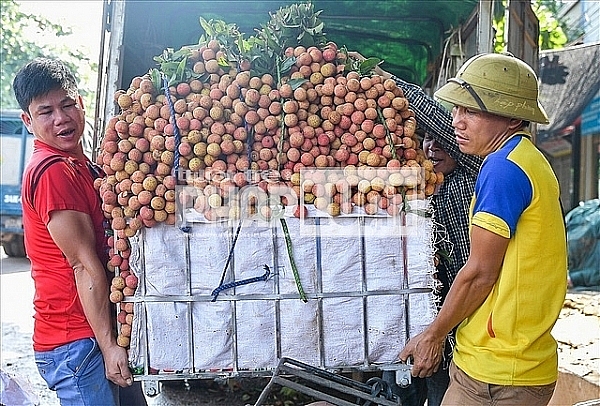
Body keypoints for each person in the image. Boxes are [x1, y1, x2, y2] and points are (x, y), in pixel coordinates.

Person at [394, 52, 567, 406]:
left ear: (513, 117)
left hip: (503, 371)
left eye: (470, 111)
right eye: (457, 109)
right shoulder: (522, 159)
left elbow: (480, 274)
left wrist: (434, 335)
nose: (457, 121)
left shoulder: (504, 169)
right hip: (487, 361)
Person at [349, 51, 482, 406]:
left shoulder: (475, 174)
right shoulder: (419, 186)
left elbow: (437, 122)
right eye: (425, 139)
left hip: (459, 324)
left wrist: (379, 77)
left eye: (441, 139)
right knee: (400, 394)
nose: (432, 146)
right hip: (412, 317)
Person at [13, 58, 146, 406]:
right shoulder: (53, 171)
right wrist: (108, 345)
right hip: (77, 342)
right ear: (28, 121)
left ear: (82, 103)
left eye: (67, 104)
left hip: (97, 333)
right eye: (46, 112)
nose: (61, 118)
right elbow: (83, 265)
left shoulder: (85, 167)